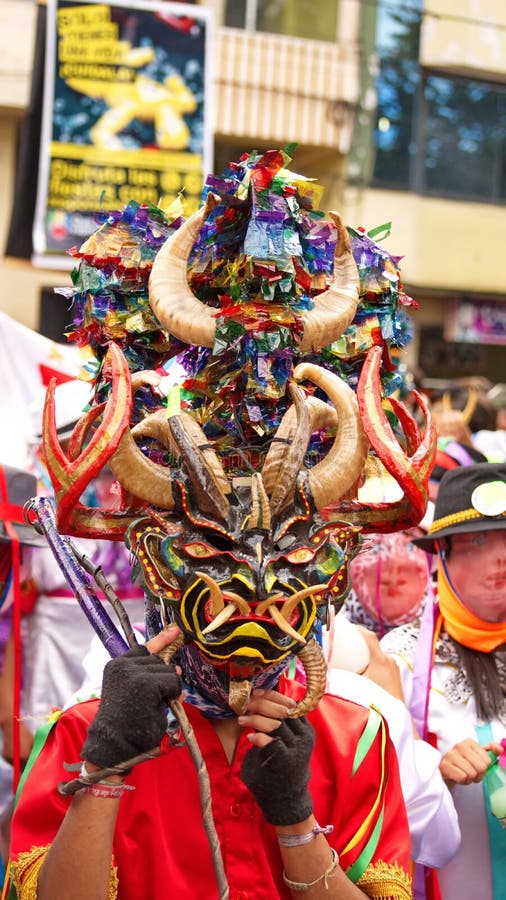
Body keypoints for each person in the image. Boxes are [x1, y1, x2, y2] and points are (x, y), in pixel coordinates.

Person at [7, 148, 426, 899]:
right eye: (212, 547)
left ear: (330, 564)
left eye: (291, 553)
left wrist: (295, 820)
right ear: (157, 560)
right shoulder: (86, 729)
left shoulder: (356, 736)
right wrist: (106, 766)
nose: (253, 591)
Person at [381, 462, 506, 900]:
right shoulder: (401, 658)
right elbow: (373, 801)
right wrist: (436, 773)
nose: (500, 557)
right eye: (477, 541)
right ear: (444, 558)